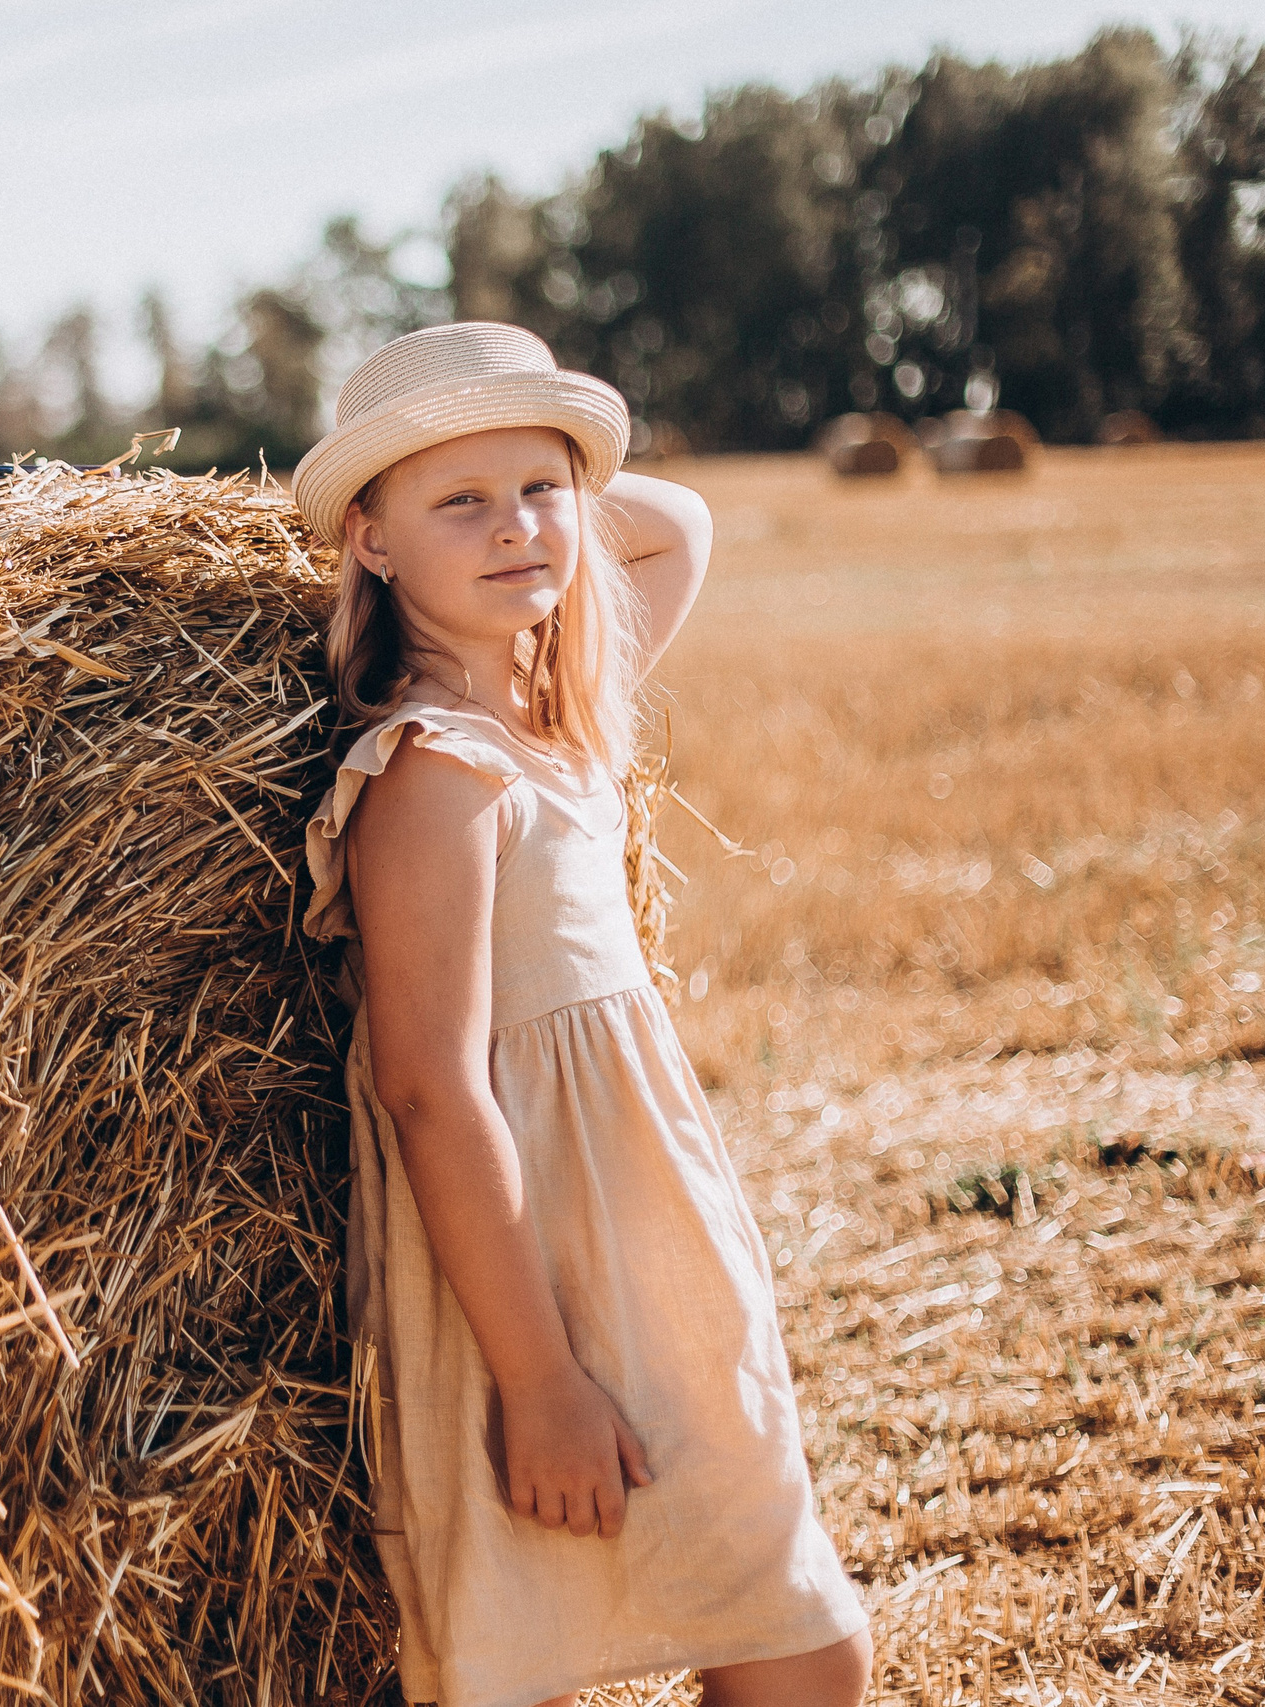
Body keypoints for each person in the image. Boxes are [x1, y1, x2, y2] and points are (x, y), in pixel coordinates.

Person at [295, 323, 871, 1707]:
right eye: (458, 505)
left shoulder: (556, 726)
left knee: (796, 1638)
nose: (516, 532)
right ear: (368, 543)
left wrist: (509, 470)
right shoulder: (434, 771)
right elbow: (429, 1085)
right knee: (540, 1654)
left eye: (541, 493)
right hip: (524, 1272)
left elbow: (674, 523)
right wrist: (539, 1380)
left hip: (650, 1241)